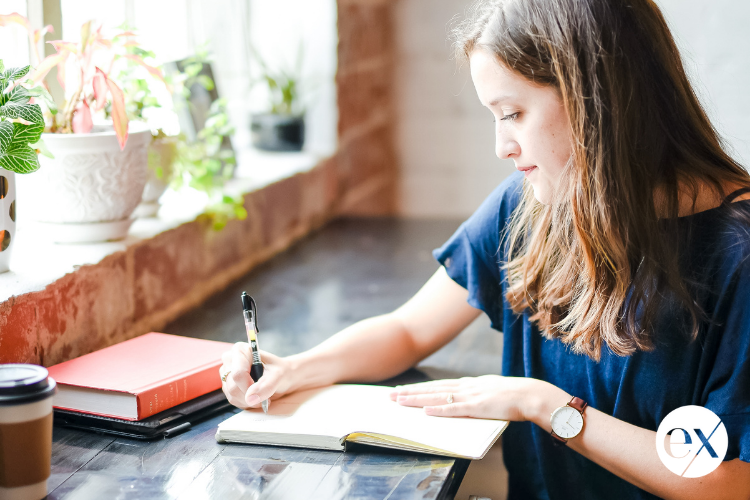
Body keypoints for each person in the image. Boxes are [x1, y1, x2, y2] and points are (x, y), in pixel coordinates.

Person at [221, 0, 750, 498]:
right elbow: (409, 330)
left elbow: (727, 483)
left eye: (513, 113)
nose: (502, 146)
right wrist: (297, 368)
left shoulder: (739, 255)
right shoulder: (531, 204)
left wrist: (545, 405)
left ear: (598, 99)